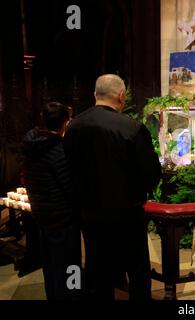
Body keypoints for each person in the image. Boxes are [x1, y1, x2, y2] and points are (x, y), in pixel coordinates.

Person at [63, 74, 162, 301]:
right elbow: (151, 174)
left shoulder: (74, 126)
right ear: (121, 96)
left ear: (94, 95)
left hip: (89, 214)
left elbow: (68, 169)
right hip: (127, 213)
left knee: (98, 269)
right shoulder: (132, 128)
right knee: (137, 270)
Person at [22, 102, 81, 300]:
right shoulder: (58, 150)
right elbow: (70, 189)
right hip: (63, 220)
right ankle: (73, 297)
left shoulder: (31, 145)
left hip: (42, 217)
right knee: (71, 266)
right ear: (65, 123)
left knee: (51, 267)